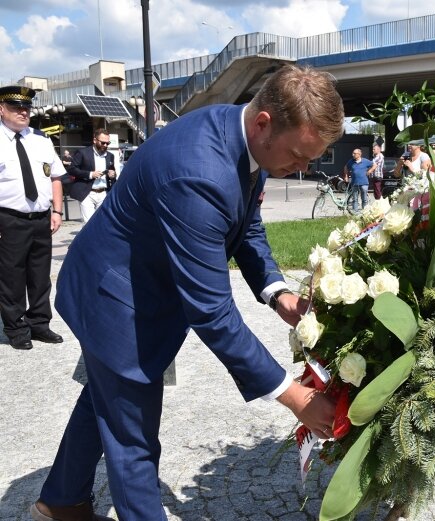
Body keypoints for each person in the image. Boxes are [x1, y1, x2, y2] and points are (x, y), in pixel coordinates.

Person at [31, 65, 343, 521]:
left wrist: (278, 294)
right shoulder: (199, 173)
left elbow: (245, 222)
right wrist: (292, 394)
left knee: (106, 402)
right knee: (134, 436)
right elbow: (213, 312)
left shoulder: (241, 136)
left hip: (138, 287)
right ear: (264, 123)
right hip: (115, 299)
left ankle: (59, 503)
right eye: (299, 155)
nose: (305, 169)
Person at [0, 85, 66, 351]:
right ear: (1, 109)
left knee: (40, 276)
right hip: (9, 219)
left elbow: (56, 178)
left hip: (40, 218)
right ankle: (16, 329)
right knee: (11, 277)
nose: (23, 112)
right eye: (16, 107)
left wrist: (58, 211)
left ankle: (40, 324)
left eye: (26, 107)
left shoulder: (40, 139)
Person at [67, 128, 116, 223]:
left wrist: (112, 175)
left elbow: (112, 170)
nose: (105, 145)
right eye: (102, 143)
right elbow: (72, 169)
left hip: (103, 193)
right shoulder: (83, 153)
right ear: (95, 140)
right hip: (87, 192)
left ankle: (100, 238)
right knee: (89, 223)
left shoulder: (110, 156)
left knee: (102, 222)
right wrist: (90, 174)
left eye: (107, 143)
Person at [343, 147, 374, 212]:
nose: (353, 155)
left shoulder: (365, 161)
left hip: (364, 183)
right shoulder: (351, 161)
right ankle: (355, 213)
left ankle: (365, 212)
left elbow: (375, 165)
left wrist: (370, 171)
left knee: (364, 199)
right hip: (354, 183)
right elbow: (345, 167)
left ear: (359, 154)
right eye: (353, 153)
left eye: (354, 153)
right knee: (355, 199)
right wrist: (346, 176)